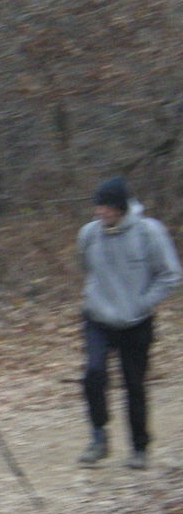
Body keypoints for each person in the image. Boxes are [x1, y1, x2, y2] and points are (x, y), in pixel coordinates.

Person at [75, 176, 180, 469]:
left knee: (134, 385)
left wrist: (141, 302)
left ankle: (139, 448)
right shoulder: (88, 234)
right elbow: (85, 267)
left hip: (136, 322)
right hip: (97, 318)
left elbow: (170, 275)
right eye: (98, 207)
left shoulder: (149, 232)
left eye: (106, 207)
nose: (100, 212)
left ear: (121, 208)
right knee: (93, 374)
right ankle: (99, 438)